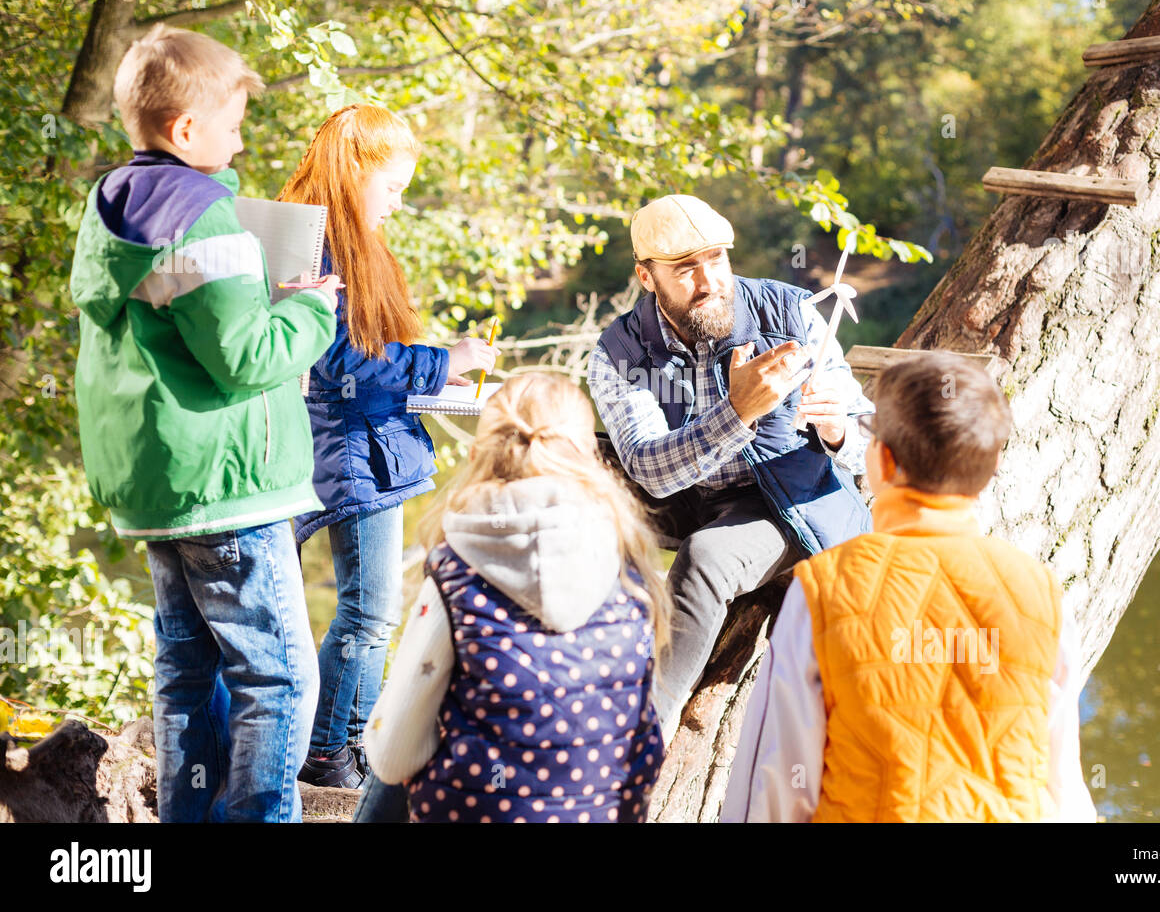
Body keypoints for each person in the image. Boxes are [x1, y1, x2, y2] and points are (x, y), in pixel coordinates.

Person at [69, 24, 342, 822]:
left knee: (187, 665)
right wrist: (313, 312)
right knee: (279, 674)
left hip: (162, 483)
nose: (241, 139)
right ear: (187, 131)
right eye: (232, 124)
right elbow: (247, 356)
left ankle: (186, 814)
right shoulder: (205, 220)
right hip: (228, 484)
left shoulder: (114, 206)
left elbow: (189, 332)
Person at [721, 353, 1098, 822]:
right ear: (993, 465)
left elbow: (778, 777)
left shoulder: (826, 586)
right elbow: (1060, 778)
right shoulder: (1040, 592)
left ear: (882, 460)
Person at [586, 193, 874, 736]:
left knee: (707, 557)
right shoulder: (617, 350)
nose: (709, 279)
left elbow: (867, 438)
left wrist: (838, 430)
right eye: (686, 269)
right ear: (647, 278)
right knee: (563, 487)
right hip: (680, 500)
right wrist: (738, 411)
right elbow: (649, 470)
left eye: (717, 258)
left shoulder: (793, 313)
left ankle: (648, 725)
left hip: (783, 498)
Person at [276, 104, 498, 791]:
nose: (398, 205)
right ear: (354, 171)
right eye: (393, 187)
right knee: (370, 611)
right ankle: (329, 753)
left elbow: (361, 354)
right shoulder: (314, 243)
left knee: (367, 610)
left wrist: (437, 373)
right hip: (346, 448)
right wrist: (438, 362)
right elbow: (336, 360)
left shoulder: (341, 242)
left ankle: (348, 750)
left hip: (366, 445)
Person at [361, 374, 673, 822]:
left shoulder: (455, 574)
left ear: (477, 455)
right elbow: (645, 749)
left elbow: (391, 757)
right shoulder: (631, 570)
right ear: (590, 458)